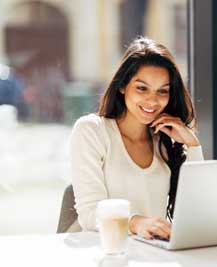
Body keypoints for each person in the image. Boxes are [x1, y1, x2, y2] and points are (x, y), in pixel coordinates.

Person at [69, 37, 203, 240]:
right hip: (107, 251)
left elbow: (196, 209)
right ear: (122, 86)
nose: (152, 100)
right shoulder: (92, 131)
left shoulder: (164, 142)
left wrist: (192, 144)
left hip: (155, 254)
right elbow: (89, 214)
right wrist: (136, 222)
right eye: (142, 88)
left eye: (162, 91)